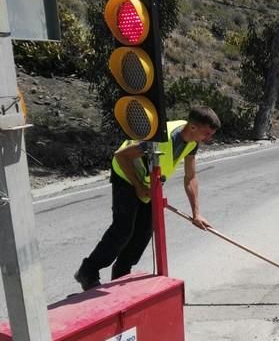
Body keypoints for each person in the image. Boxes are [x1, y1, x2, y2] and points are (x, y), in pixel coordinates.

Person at [74, 106, 221, 290]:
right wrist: (138, 186)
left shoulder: (192, 141)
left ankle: (121, 273)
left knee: (144, 231)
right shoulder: (159, 140)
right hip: (126, 176)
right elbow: (121, 156)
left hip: (150, 181)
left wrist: (196, 213)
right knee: (123, 228)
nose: (209, 139)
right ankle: (88, 271)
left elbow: (190, 177)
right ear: (192, 127)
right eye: (206, 134)